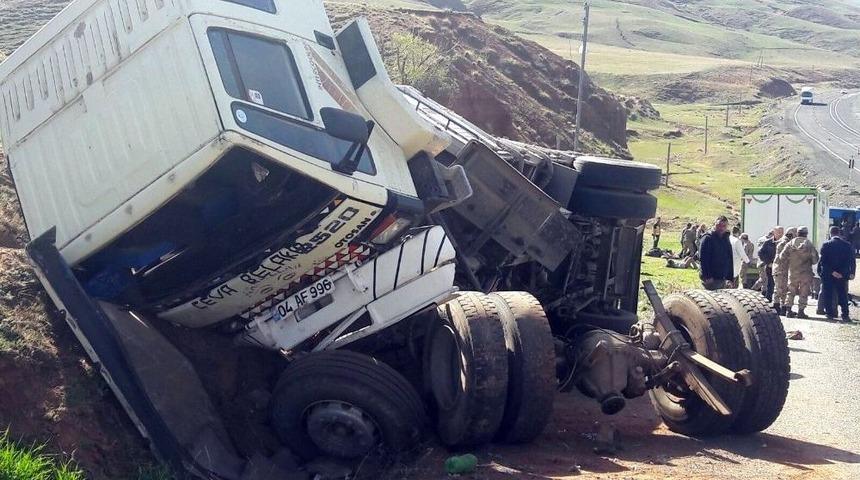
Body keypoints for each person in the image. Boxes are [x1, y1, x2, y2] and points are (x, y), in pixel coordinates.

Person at [819, 226, 856, 322]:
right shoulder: (847, 245)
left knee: (828, 294)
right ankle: (845, 314)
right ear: (839, 233)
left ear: (830, 233)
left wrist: (832, 272)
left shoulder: (826, 245)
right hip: (842, 274)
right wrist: (851, 272)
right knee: (842, 294)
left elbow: (823, 262)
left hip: (829, 274)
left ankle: (829, 314)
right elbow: (852, 260)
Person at [782, 226, 820, 319]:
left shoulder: (790, 243)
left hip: (793, 272)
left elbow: (782, 257)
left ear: (797, 233)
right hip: (805, 273)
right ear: (806, 233)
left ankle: (788, 311)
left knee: (791, 291)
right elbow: (815, 260)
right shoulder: (809, 244)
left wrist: (790, 261)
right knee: (804, 292)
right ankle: (801, 312)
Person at [699, 216, 733, 290]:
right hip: (711, 279)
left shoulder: (726, 238)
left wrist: (730, 277)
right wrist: (708, 276)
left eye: (724, 226)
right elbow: (703, 259)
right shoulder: (708, 238)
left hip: (722, 278)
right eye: (719, 225)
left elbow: (729, 258)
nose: (721, 228)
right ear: (715, 225)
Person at [771, 227, 793, 314]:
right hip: (780, 269)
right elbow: (783, 256)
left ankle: (779, 308)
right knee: (781, 289)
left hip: (780, 269)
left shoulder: (784, 241)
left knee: (779, 289)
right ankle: (781, 308)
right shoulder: (784, 243)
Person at [756, 227, 781, 302]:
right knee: (770, 284)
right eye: (779, 232)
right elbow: (760, 253)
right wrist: (768, 262)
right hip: (770, 266)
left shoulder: (784, 242)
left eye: (782, 232)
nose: (781, 234)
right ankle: (768, 300)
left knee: (780, 286)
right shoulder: (768, 242)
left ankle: (779, 304)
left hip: (781, 267)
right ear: (774, 233)